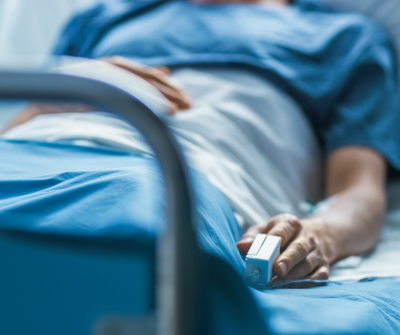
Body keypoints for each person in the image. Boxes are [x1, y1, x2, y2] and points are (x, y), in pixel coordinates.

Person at [2, 0, 399, 283]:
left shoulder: (346, 39)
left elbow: (358, 191)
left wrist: (320, 234)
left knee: (124, 250)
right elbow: (18, 124)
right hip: (27, 154)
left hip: (172, 174)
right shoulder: (102, 17)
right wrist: (57, 95)